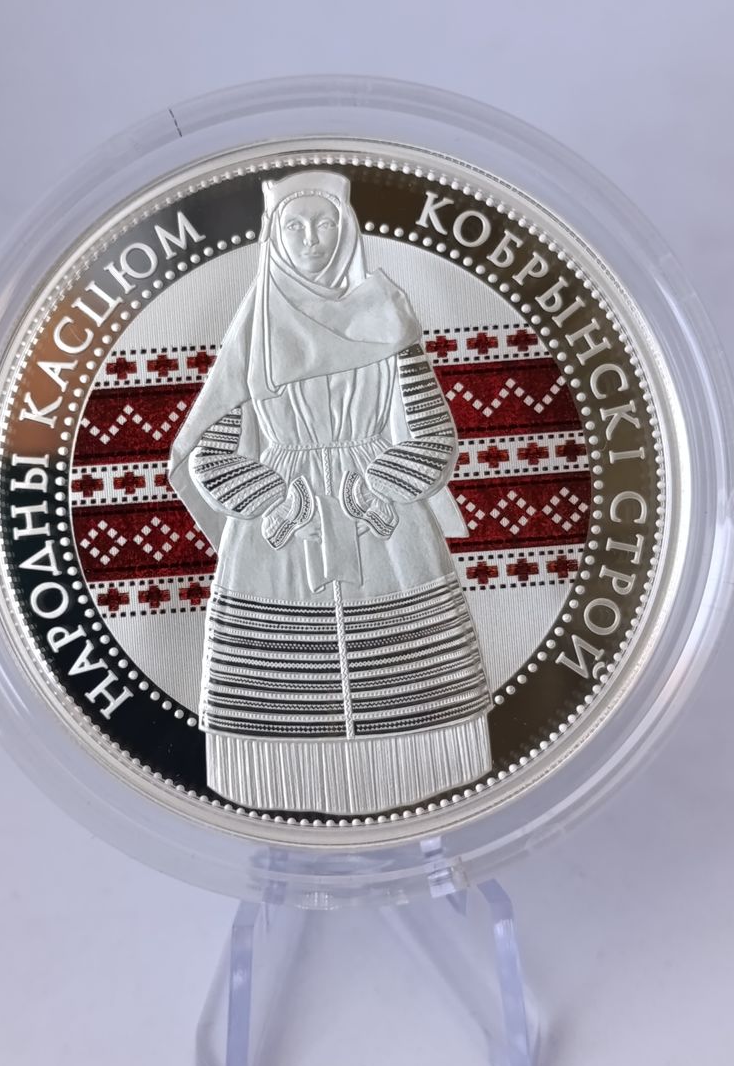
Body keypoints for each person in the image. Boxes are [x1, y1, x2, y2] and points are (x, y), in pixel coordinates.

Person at [168, 170, 493, 814]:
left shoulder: (387, 316)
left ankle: (422, 782)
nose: (311, 239)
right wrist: (277, 502)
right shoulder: (254, 331)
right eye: (294, 225)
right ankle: (272, 792)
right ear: (273, 236)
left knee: (410, 671)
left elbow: (431, 433)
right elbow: (212, 450)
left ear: (347, 230)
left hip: (382, 517)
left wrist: (379, 490)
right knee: (282, 686)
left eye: (324, 223)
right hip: (283, 526)